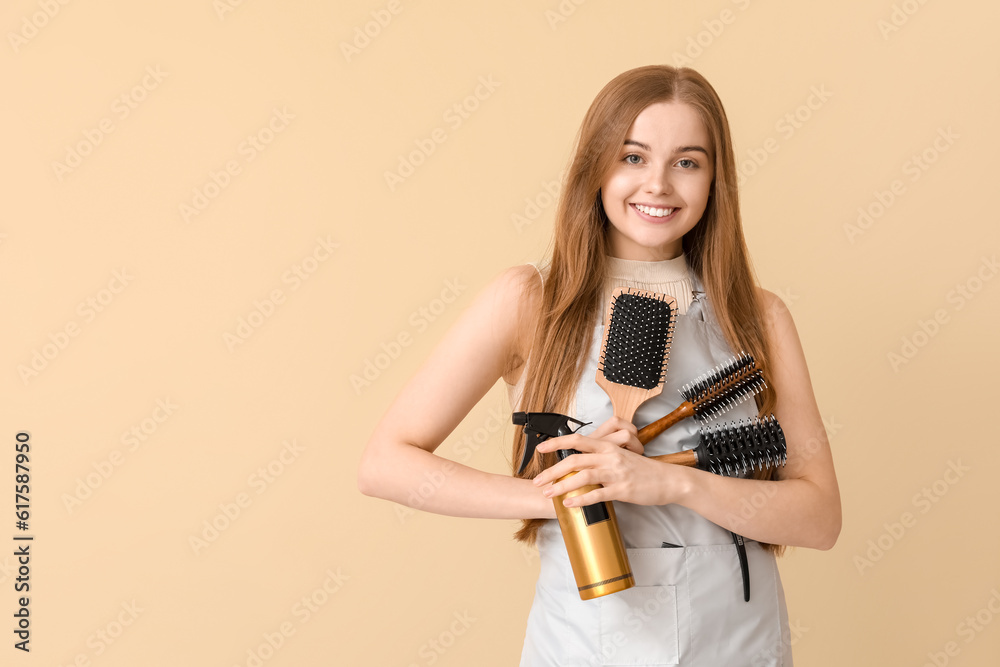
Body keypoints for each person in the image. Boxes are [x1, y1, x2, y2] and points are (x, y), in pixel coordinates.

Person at [358, 64, 841, 666]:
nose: (658, 184)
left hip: (741, 642)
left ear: (716, 181)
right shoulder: (530, 301)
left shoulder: (758, 316)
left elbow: (820, 518)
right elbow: (384, 465)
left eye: (687, 162)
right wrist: (561, 494)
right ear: (596, 166)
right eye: (633, 157)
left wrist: (674, 483)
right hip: (589, 643)